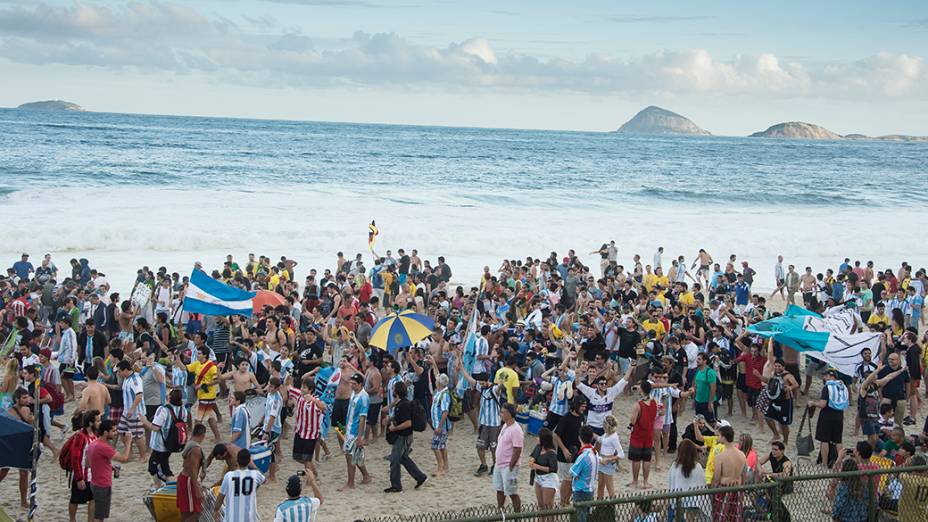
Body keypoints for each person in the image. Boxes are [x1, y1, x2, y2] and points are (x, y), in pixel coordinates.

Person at [85, 419, 133, 521]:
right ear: (106, 432)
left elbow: (88, 464)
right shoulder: (104, 447)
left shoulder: (93, 444)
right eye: (113, 431)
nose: (115, 433)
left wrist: (108, 466)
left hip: (94, 483)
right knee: (100, 516)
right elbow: (124, 458)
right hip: (103, 484)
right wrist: (128, 443)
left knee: (95, 511)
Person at [384, 381, 427, 492]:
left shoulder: (403, 405)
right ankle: (420, 476)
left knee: (395, 460)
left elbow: (408, 423)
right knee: (403, 458)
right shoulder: (403, 403)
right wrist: (391, 419)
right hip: (406, 436)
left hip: (403, 437)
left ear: (396, 392)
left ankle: (396, 485)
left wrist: (394, 428)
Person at [810, 368, 848, 469]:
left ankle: (824, 463)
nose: (824, 378)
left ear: (831, 376)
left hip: (827, 415)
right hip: (839, 415)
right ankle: (839, 463)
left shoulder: (828, 387)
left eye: (826, 376)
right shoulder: (843, 386)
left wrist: (813, 403)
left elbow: (823, 404)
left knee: (824, 440)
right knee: (838, 441)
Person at [67, 410, 100, 522]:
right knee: (75, 500)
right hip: (82, 474)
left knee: (93, 499)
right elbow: (75, 458)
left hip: (93, 475)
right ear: (91, 423)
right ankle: (72, 520)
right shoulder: (81, 436)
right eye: (97, 421)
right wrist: (79, 478)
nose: (99, 423)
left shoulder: (95, 435)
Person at [215, 449, 266, 522]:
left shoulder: (229, 476)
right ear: (249, 461)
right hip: (249, 519)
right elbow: (264, 480)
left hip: (231, 519)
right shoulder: (256, 475)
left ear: (237, 461)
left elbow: (220, 498)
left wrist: (216, 510)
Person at [340, 373, 371, 490]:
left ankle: (350, 483)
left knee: (349, 456)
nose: (352, 386)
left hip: (354, 431)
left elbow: (363, 418)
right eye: (351, 383)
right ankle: (366, 476)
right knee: (355, 456)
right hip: (349, 428)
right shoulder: (354, 393)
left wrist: (359, 437)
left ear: (360, 384)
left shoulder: (364, 397)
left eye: (354, 384)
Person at [711, 425, 746, 522]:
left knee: (720, 517)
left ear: (723, 437)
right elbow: (744, 474)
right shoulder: (742, 454)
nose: (718, 438)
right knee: (736, 517)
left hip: (724, 488)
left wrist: (712, 490)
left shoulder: (720, 457)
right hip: (738, 488)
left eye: (719, 436)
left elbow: (717, 478)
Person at [667, 439, 708, 521]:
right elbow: (702, 484)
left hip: (677, 501)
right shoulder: (697, 467)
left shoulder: (674, 466)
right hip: (693, 502)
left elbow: (671, 483)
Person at [493, 402, 523, 512]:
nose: (500, 414)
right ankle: (500, 510)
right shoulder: (505, 425)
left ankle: (517, 515)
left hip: (509, 466)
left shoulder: (516, 429)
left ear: (509, 414)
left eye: (502, 412)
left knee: (512, 492)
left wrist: (511, 465)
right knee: (499, 489)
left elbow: (518, 449)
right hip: (500, 464)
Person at [628, 380, 658, 489]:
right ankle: (645, 482)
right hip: (649, 434)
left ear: (641, 390)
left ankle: (635, 481)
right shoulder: (654, 402)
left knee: (636, 459)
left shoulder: (638, 405)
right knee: (647, 459)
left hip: (638, 434)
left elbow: (633, 421)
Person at [177, 423, 207, 522]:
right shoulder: (196, 449)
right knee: (196, 511)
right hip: (189, 481)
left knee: (186, 511)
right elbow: (192, 469)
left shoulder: (190, 442)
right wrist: (197, 488)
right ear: (203, 435)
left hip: (184, 478)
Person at [569, 426, 598, 522]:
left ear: (580, 438)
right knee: (586, 515)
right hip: (590, 489)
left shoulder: (583, 456)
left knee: (580, 517)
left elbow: (572, 472)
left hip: (581, 490)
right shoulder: (594, 452)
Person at [529, 427, 558, 513]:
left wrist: (537, 466)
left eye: (539, 437)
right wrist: (531, 460)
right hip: (538, 478)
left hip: (549, 479)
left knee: (548, 507)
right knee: (541, 506)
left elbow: (553, 469)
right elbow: (533, 456)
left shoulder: (551, 453)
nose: (537, 438)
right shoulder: (538, 447)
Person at [596, 415, 624, 498]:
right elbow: (601, 439)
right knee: (600, 485)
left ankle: (612, 506)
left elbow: (621, 454)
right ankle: (599, 504)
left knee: (609, 488)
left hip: (607, 463)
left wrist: (609, 459)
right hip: (602, 460)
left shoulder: (614, 437)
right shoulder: (606, 434)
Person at [429, 372, 452, 477]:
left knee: (435, 446)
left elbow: (445, 412)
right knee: (442, 446)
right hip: (439, 424)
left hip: (441, 426)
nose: (435, 381)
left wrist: (439, 426)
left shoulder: (444, 394)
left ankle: (440, 467)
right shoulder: (440, 392)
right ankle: (445, 467)